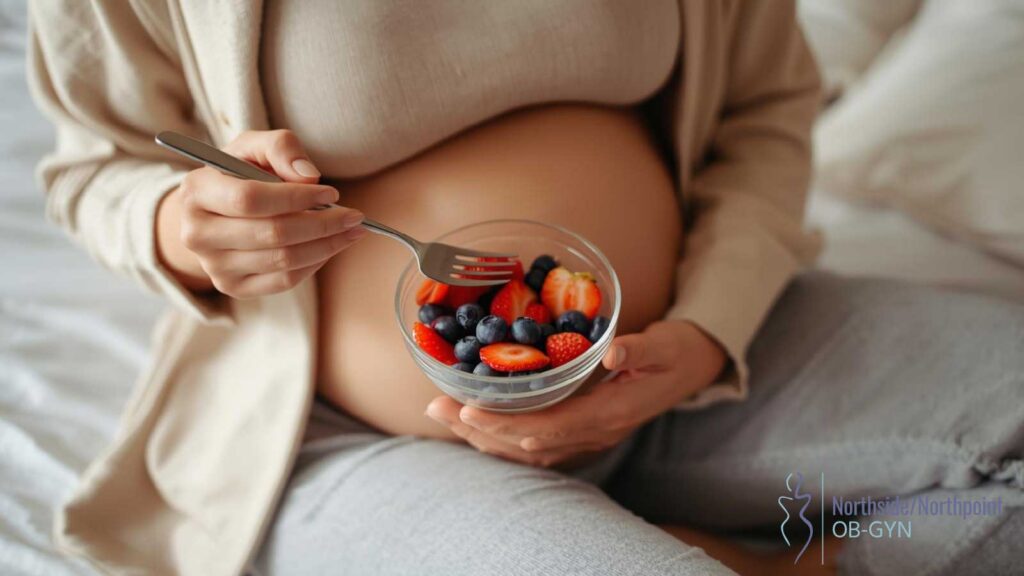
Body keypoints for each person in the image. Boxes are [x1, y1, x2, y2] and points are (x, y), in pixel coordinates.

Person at [29, 1, 1023, 575]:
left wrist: (708, 334)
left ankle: (776, 559)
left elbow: (766, 108)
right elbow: (90, 171)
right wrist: (175, 225)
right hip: (359, 438)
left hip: (696, 365)